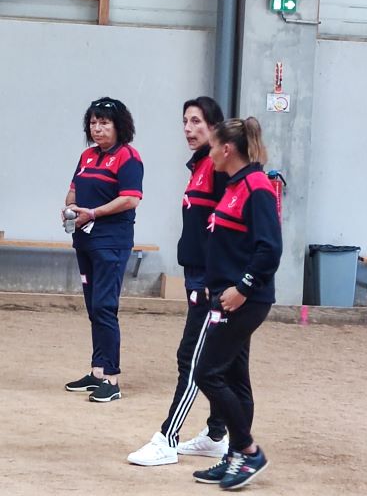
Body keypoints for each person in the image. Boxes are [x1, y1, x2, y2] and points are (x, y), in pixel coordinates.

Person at [127, 97, 229, 466]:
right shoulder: (200, 165)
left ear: (214, 126)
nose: (188, 128)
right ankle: (217, 433)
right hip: (197, 275)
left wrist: (214, 278)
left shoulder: (218, 167)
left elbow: (225, 231)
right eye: (184, 121)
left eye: (196, 121)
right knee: (223, 360)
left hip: (210, 280)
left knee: (193, 357)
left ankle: (167, 438)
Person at [192, 117, 282, 490]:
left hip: (245, 300)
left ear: (227, 149)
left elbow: (270, 248)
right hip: (227, 297)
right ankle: (235, 458)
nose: (208, 152)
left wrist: (243, 287)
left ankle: (248, 449)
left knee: (207, 372)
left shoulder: (258, 187)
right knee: (233, 376)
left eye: (212, 146)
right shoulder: (235, 185)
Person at [64, 97, 143, 403]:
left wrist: (93, 213)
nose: (97, 129)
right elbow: (73, 189)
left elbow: (130, 199)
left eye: (104, 123)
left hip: (111, 242)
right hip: (84, 240)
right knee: (94, 308)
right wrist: (70, 208)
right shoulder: (86, 156)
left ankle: (111, 379)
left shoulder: (128, 158)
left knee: (105, 308)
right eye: (93, 123)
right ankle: (97, 372)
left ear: (119, 126)